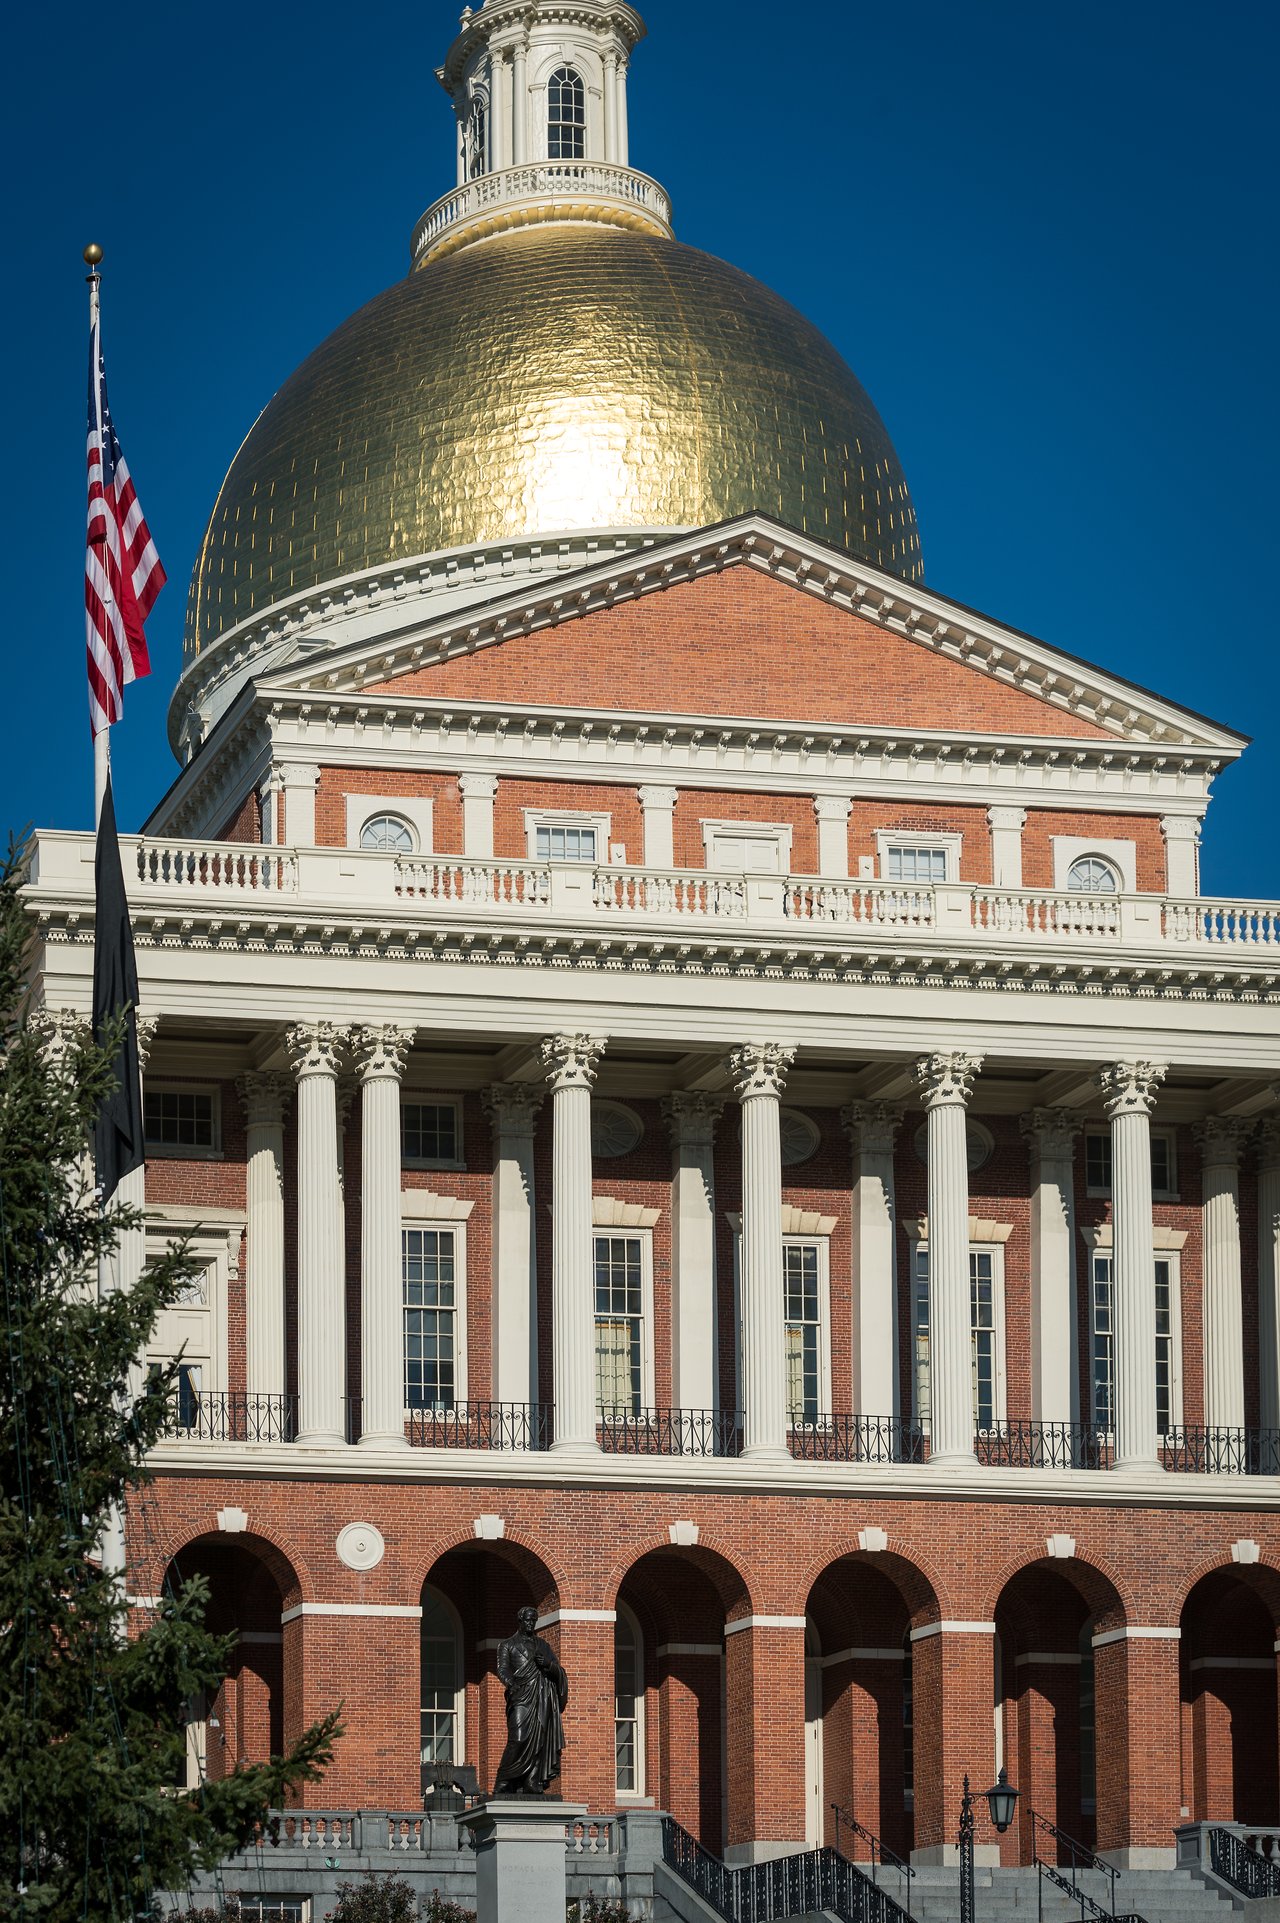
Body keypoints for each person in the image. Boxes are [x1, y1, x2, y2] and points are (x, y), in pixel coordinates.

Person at [492, 1604, 569, 1795]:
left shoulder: (543, 1645)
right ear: (520, 1621)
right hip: (521, 1695)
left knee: (540, 1739)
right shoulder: (507, 1645)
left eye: (533, 1621)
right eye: (527, 1620)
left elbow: (559, 1671)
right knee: (518, 1738)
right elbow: (502, 1669)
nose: (530, 1624)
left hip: (542, 1695)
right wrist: (511, 1684)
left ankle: (531, 1781)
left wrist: (549, 1665)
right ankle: (504, 1779)